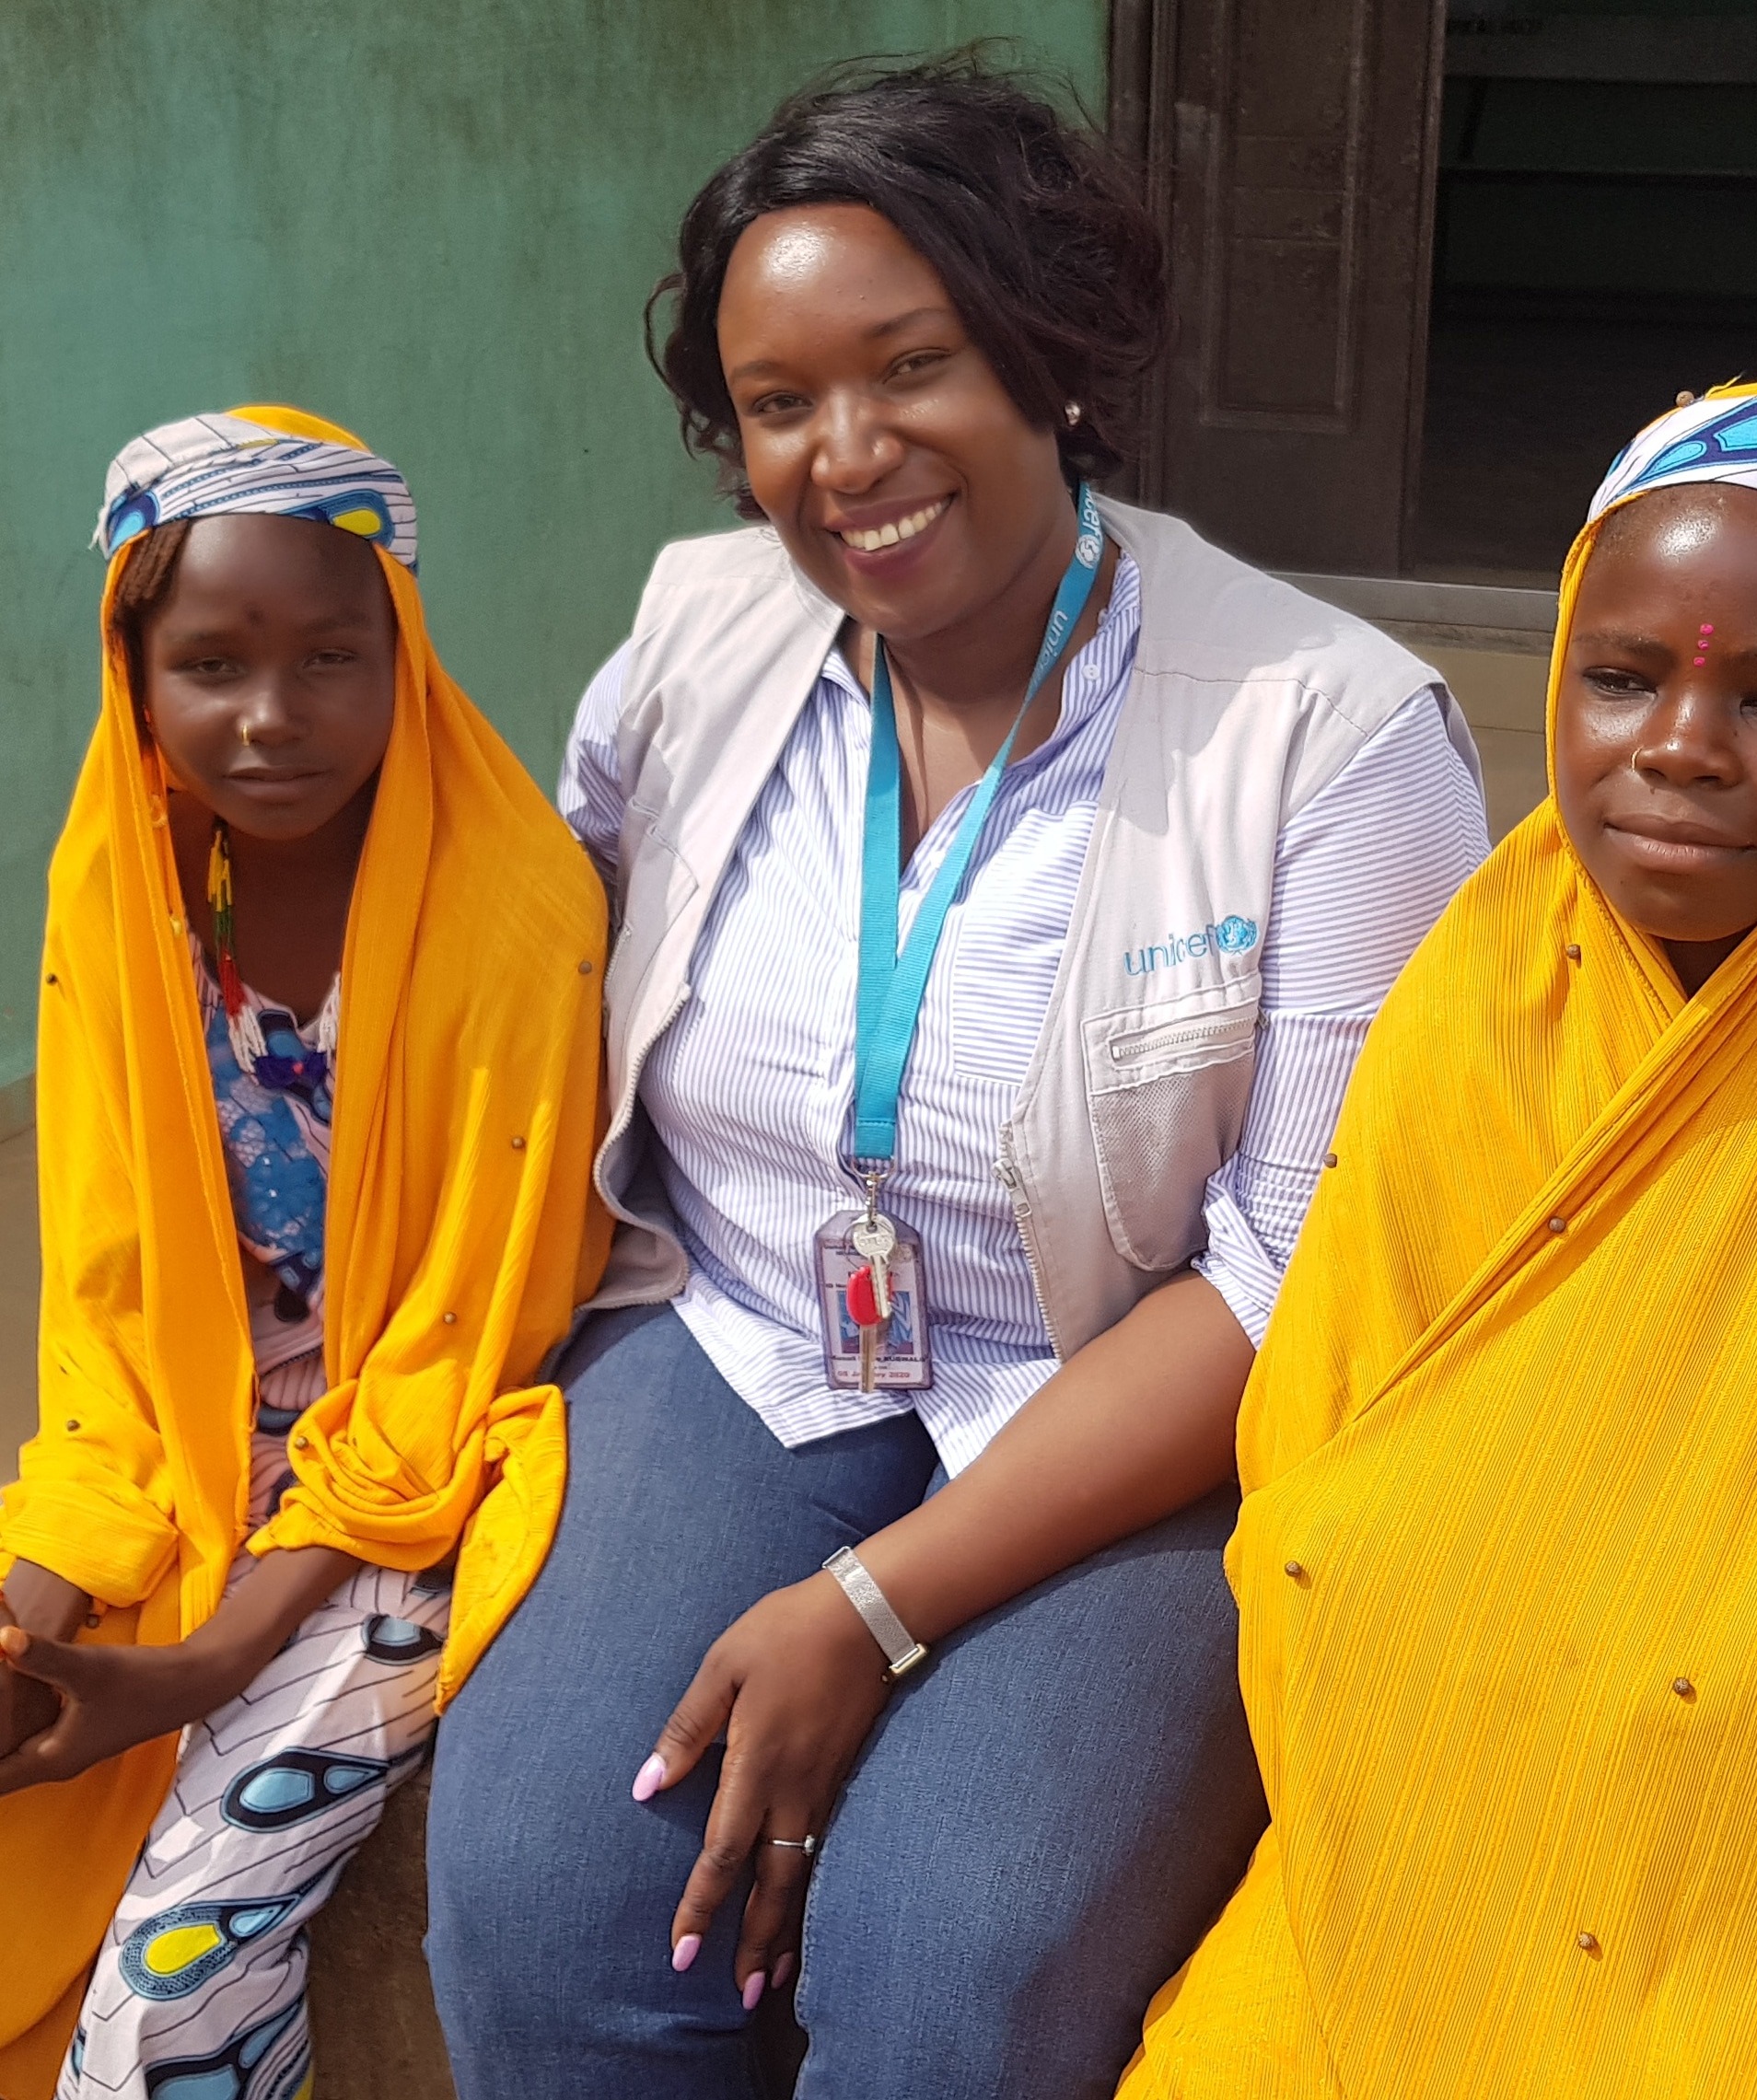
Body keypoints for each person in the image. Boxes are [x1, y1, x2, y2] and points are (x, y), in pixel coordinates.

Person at [423, 55, 1491, 2100]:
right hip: (746, 1341)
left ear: (1047, 356)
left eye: (907, 365)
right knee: (553, 1891)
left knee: (958, 1954)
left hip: (1134, 1399)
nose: (846, 456)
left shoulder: (1328, 733)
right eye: (775, 403)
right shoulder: (694, 632)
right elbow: (536, 938)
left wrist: (870, 1604)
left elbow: (1292, 1272)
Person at [1115, 381, 1757, 2097]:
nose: (1678, 744)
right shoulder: (1479, 994)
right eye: (1623, 674)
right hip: (1422, 1847)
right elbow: (1333, 1450)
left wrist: (1686, 1693)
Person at [0, 407, 610, 2100]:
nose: (271, 717)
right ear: (134, 672)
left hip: (419, 1474)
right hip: (203, 1429)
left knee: (171, 1989)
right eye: (211, 661)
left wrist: (194, 1668)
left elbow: (455, 1354)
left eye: (332, 654)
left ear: (402, 647)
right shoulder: (126, 901)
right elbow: (112, 1321)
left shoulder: (513, 917)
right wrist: (35, 1594)